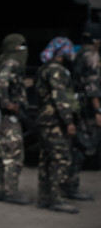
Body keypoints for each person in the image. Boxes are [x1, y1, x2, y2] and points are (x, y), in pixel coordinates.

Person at [34, 37, 80, 214]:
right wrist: (69, 122)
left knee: (47, 158)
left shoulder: (45, 68)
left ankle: (45, 198)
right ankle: (57, 199)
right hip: (55, 121)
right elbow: (60, 98)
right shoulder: (56, 71)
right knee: (61, 159)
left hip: (45, 120)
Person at [0, 33, 32, 205]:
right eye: (21, 46)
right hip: (9, 117)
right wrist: (8, 104)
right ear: (14, 47)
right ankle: (10, 192)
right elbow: (2, 82)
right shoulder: (12, 63)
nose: (24, 50)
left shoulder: (0, 62)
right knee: (13, 155)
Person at [69, 32, 100, 201]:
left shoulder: (78, 54)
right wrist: (98, 111)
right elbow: (92, 88)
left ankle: (69, 184)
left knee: (77, 145)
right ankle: (71, 186)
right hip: (88, 107)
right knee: (81, 146)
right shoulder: (91, 56)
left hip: (78, 103)